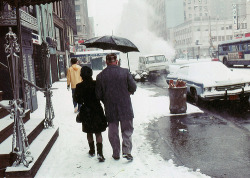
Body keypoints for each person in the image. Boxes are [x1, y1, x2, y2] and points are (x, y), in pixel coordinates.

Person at [95, 53, 137, 161]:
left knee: (113, 132)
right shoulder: (125, 72)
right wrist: (129, 92)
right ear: (117, 61)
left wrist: (106, 99)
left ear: (106, 62)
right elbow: (133, 87)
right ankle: (127, 151)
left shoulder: (100, 76)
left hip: (110, 108)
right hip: (125, 106)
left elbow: (98, 95)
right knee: (127, 130)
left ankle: (116, 153)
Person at [73, 66, 107, 162]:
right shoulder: (96, 84)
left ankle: (92, 151)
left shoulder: (79, 86)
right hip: (97, 109)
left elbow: (77, 100)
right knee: (98, 132)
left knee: (89, 132)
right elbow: (101, 95)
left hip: (86, 111)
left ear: (81, 75)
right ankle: (100, 153)